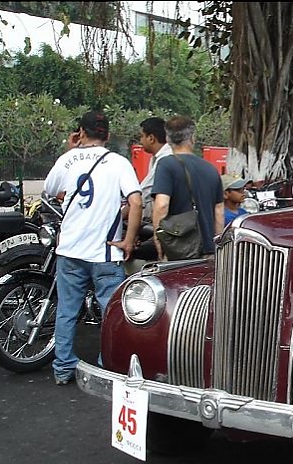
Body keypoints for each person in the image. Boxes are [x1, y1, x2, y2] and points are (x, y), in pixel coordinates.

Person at [43, 110, 143, 385]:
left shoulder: (67, 159)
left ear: (81, 132)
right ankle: (106, 369)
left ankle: (63, 368)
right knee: (111, 314)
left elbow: (51, 190)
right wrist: (128, 240)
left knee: (66, 311)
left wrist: (70, 148)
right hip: (106, 252)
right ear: (108, 135)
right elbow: (135, 201)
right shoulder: (118, 163)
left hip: (70, 251)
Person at [151, 115, 224, 260]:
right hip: (208, 250)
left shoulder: (166, 165)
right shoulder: (211, 169)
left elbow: (162, 205)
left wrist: (158, 237)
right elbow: (219, 212)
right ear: (192, 138)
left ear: (167, 139)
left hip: (178, 249)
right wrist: (216, 243)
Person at [137, 116, 172, 222]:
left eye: (142, 136)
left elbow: (143, 192)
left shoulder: (165, 159)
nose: (140, 140)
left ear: (151, 138)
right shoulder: (156, 157)